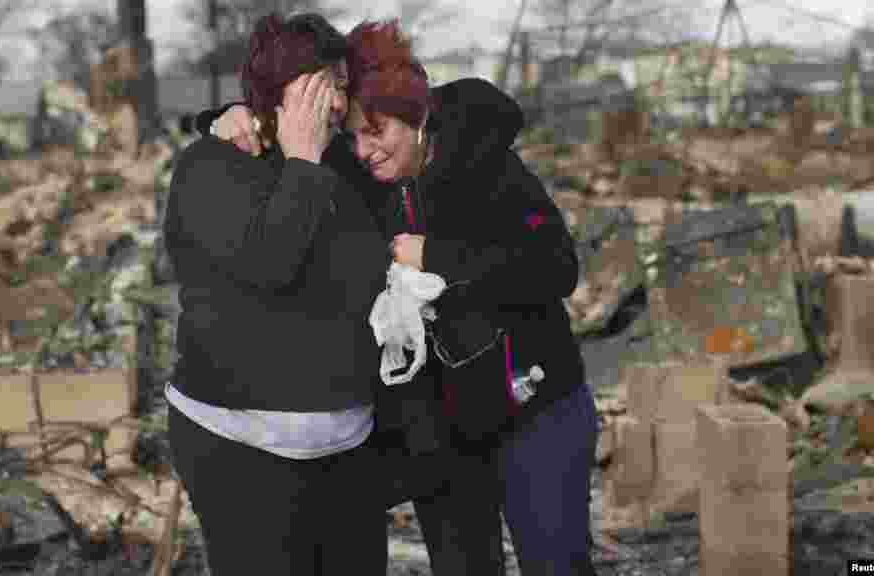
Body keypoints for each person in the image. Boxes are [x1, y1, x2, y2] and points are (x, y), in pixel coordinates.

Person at [210, 18, 600, 575]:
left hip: (534, 409)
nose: (365, 149)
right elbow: (284, 145)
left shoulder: (487, 163)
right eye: (352, 136)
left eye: (378, 130)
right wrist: (227, 119)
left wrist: (437, 256)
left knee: (554, 564)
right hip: (444, 437)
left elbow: (555, 267)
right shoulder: (359, 177)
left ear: (416, 116)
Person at [163, 13, 390, 576]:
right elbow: (269, 263)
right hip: (240, 448)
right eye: (321, 84)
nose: (335, 101)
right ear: (277, 88)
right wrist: (303, 159)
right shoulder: (209, 168)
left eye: (341, 84)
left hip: (347, 446)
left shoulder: (345, 168)